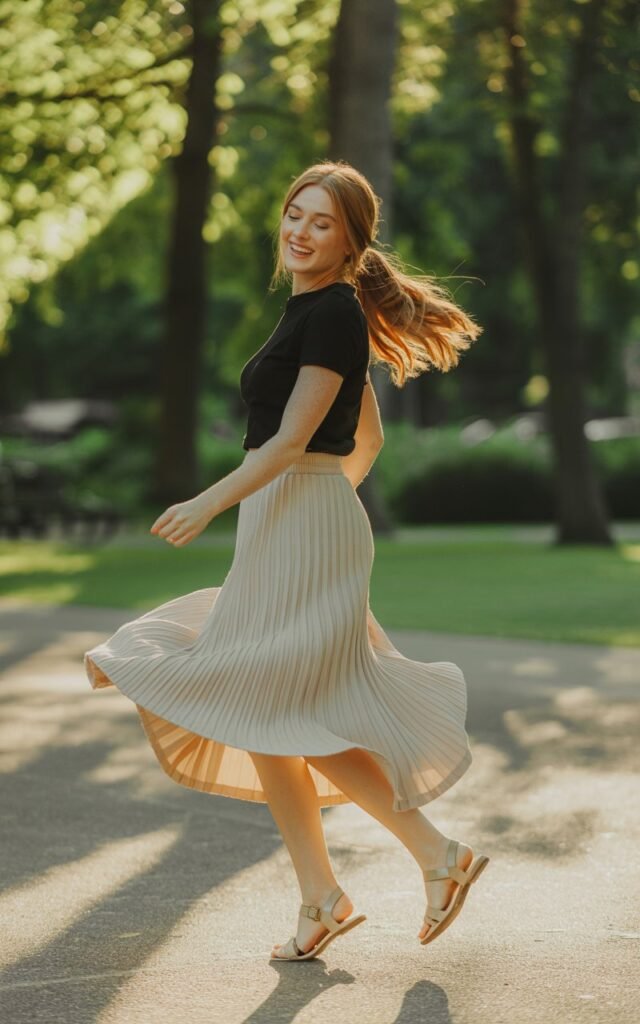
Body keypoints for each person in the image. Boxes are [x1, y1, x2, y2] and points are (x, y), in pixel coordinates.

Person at [84, 159, 489, 962]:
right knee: (266, 708)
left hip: (297, 522)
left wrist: (222, 500)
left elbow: (294, 441)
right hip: (295, 520)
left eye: (322, 222)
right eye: (294, 214)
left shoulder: (334, 314)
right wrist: (314, 501)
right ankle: (328, 895)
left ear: (351, 241)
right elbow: (362, 438)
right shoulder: (316, 311)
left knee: (276, 700)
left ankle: (429, 860)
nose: (301, 232)